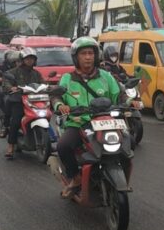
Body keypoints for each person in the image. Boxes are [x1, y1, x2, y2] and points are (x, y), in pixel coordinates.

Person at [50, 37, 140, 198]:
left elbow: (119, 95)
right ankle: (75, 178)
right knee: (63, 146)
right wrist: (59, 106)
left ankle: (120, 176)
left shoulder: (106, 77)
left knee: (130, 142)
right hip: (79, 122)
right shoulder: (68, 79)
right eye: (83, 53)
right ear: (76, 57)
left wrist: (130, 102)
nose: (88, 57)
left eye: (91, 53)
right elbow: (57, 97)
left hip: (105, 122)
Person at [2, 48, 43, 159]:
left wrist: (48, 87)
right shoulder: (14, 72)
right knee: (15, 122)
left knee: (45, 114)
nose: (30, 61)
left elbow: (43, 84)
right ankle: (10, 146)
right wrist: (11, 87)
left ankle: (48, 140)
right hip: (19, 101)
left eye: (32, 59)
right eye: (27, 59)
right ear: (22, 59)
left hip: (35, 101)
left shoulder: (37, 74)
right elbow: (6, 81)